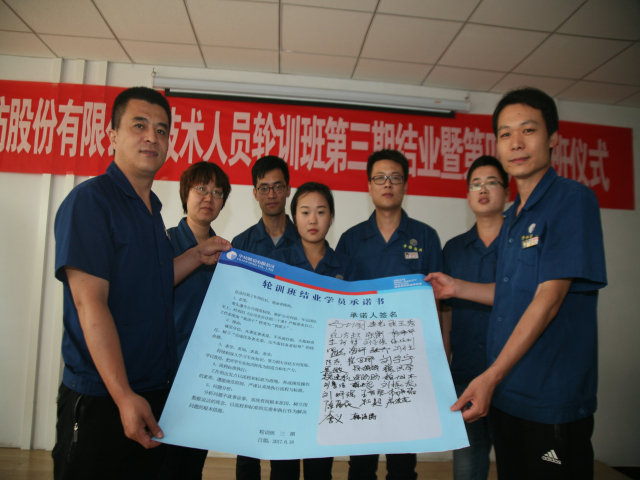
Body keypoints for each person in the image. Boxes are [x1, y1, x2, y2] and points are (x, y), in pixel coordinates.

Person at [427, 87, 607, 479]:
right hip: (508, 398)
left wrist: (489, 376)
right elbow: (512, 294)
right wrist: (456, 288)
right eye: (505, 134)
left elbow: (549, 298)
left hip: (549, 399)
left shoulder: (571, 201)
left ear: (553, 137)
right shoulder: (512, 220)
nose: (516, 143)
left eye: (528, 130)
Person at [52, 87, 230, 480]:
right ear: (112, 135)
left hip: (152, 392)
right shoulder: (91, 202)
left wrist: (195, 256)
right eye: (139, 125)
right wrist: (123, 396)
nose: (152, 136)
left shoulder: (152, 213)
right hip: (105, 398)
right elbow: (89, 303)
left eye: (162, 130)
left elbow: (152, 283)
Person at [336, 149, 443, 480]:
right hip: (362, 363)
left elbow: (438, 304)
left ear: (405, 185)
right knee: (361, 461)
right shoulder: (351, 240)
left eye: (395, 178)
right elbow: (337, 302)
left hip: (408, 363)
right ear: (368, 186)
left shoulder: (425, 237)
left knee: (403, 460)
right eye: (380, 178)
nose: (387, 184)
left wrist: (439, 356)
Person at [270, 182, 358, 479]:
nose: (313, 219)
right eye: (305, 212)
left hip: (327, 382)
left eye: (321, 212)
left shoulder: (347, 266)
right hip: (286, 380)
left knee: (320, 468)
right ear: (294, 217)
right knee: (283, 468)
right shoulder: (278, 262)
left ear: (331, 217)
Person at [159, 161, 232, 480]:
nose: (208, 197)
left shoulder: (229, 255)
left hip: (204, 377)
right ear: (185, 194)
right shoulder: (163, 243)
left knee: (190, 466)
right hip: (164, 373)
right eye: (201, 188)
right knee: (159, 463)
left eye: (217, 192)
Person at [441, 156, 509, 480]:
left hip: (512, 377)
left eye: (491, 182)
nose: (483, 189)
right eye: (476, 184)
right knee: (467, 468)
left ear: (506, 192)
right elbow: (446, 314)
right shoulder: (454, 249)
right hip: (464, 376)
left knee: (516, 465)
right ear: (468, 195)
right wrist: (443, 363)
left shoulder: (521, 246)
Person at [232, 155, 299, 480]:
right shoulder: (241, 244)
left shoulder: (307, 239)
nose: (271, 194)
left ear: (288, 190)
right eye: (264, 188)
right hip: (252, 360)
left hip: (291, 361)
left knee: (285, 450)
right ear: (254, 193)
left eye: (277, 186)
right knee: (247, 449)